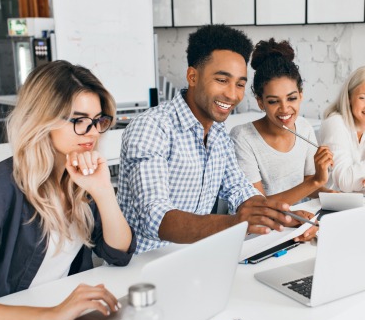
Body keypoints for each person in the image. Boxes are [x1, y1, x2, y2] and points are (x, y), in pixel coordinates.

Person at [0, 60, 135, 320]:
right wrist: (55, 315)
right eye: (78, 121)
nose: (92, 132)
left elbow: (118, 253)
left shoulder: (77, 177)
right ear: (42, 119)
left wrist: (103, 191)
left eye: (97, 121)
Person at [118, 24, 298, 254]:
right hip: (141, 267)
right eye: (222, 80)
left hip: (194, 259)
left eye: (240, 84)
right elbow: (153, 217)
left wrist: (281, 217)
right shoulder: (152, 127)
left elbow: (239, 190)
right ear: (192, 77)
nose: (233, 95)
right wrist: (235, 224)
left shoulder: (218, 134)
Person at [230, 38, 334, 206]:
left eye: (291, 98)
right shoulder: (242, 137)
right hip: (261, 227)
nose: (285, 109)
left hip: (299, 221)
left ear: (301, 95)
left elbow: (308, 184)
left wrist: (335, 196)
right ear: (260, 102)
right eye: (273, 101)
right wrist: (316, 181)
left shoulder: (304, 128)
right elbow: (257, 205)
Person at [319, 66, 365, 192]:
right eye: (363, 98)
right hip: (334, 205)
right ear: (349, 97)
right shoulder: (335, 123)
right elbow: (345, 182)